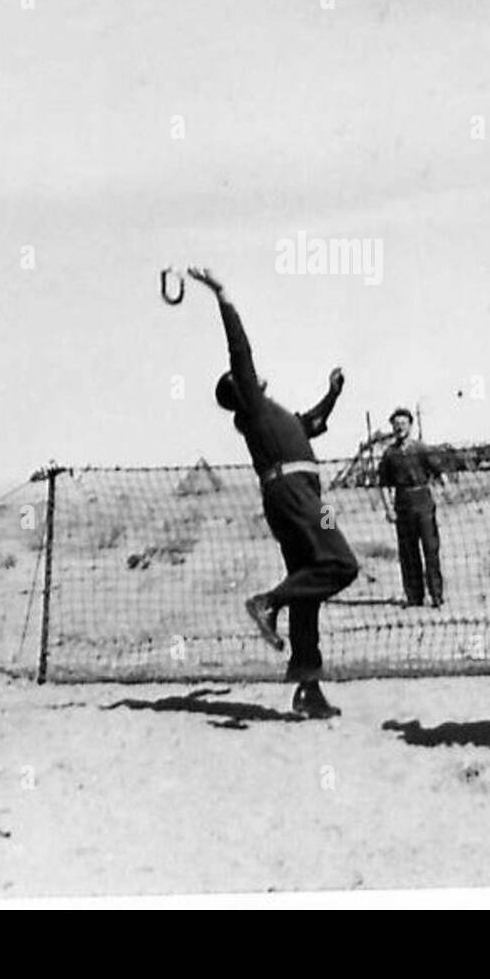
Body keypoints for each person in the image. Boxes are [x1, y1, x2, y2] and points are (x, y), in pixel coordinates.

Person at [187, 266, 359, 719]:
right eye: (243, 378)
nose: (252, 375)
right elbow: (239, 349)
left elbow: (312, 425)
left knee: (308, 593)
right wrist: (223, 295)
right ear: (238, 392)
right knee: (342, 565)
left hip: (306, 498)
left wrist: (333, 394)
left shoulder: (274, 416)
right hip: (297, 497)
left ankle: (308, 689)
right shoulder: (254, 408)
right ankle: (267, 602)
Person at [376, 408, 446, 607]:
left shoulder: (421, 449)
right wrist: (389, 509)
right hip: (402, 504)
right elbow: (383, 484)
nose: (399, 428)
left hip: (423, 503)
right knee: (408, 552)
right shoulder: (389, 454)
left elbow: (440, 474)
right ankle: (414, 597)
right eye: (396, 424)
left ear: (410, 425)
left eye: (403, 423)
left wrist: (438, 496)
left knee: (431, 550)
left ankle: (437, 595)